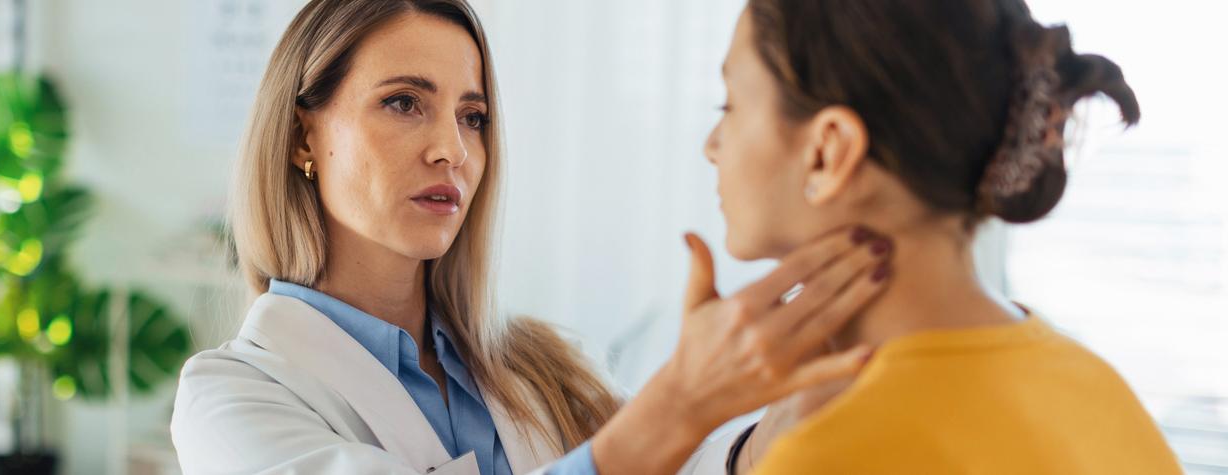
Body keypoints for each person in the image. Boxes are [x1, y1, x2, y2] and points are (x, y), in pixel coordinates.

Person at [170, 1, 892, 474]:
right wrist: (683, 398)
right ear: (303, 134)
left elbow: (683, 465)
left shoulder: (541, 364)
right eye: (403, 103)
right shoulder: (231, 398)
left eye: (473, 115)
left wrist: (803, 395)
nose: (451, 148)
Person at [700, 0, 1182, 473]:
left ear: (828, 151)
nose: (711, 146)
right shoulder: (1097, 390)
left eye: (731, 105)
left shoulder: (834, 451)